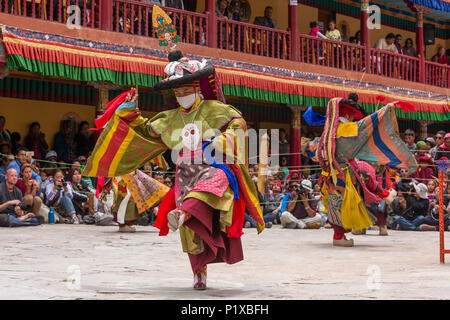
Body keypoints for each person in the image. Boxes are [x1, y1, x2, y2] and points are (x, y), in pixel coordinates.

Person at [83, 49, 265, 290]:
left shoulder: (214, 109)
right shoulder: (169, 117)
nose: (181, 95)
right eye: (177, 92)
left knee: (217, 180)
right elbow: (146, 131)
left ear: (197, 89)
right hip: (185, 172)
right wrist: (130, 112)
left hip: (214, 165)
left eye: (185, 90)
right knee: (191, 233)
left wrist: (222, 139)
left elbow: (238, 124)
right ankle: (198, 272)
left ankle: (183, 213)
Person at [317, 96, 417, 247]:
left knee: (335, 204)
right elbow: (367, 125)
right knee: (350, 201)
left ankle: (338, 235)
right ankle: (383, 195)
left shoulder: (328, 132)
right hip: (345, 174)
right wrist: (386, 109)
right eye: (352, 116)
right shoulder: (348, 129)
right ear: (348, 115)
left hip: (330, 175)